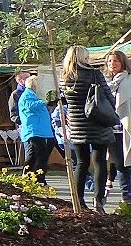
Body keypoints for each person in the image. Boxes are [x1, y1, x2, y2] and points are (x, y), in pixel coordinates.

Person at [60, 45, 117, 212]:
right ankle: (98, 201)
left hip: (77, 126)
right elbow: (107, 95)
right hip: (98, 123)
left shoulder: (65, 77)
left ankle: (78, 200)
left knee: (81, 163)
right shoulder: (94, 74)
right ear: (83, 57)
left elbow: (62, 100)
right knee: (99, 162)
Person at [105, 50, 131, 203]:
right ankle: (126, 197)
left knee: (127, 163)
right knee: (120, 164)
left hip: (125, 125)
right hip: (110, 128)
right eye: (109, 62)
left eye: (116, 61)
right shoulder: (105, 83)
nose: (112, 65)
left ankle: (127, 197)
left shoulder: (127, 80)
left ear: (122, 63)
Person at [18, 75, 54, 184]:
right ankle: (37, 179)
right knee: (38, 156)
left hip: (43, 131)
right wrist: (44, 100)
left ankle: (33, 177)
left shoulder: (36, 96)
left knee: (38, 156)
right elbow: (30, 106)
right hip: (33, 131)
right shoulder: (27, 95)